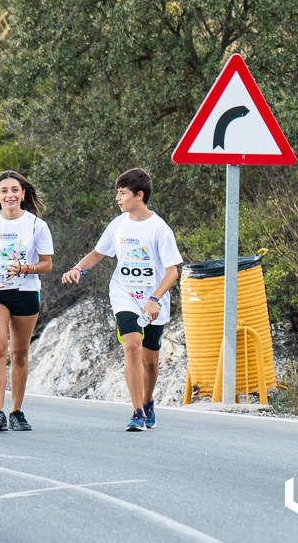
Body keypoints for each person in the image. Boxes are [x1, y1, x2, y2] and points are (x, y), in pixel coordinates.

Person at [62, 168, 182, 431]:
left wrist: (154, 299)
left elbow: (173, 271)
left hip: (154, 301)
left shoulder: (159, 229)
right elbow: (98, 253)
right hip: (124, 294)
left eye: (122, 193)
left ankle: (148, 401)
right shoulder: (118, 225)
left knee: (150, 362)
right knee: (131, 345)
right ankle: (137, 412)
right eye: (117, 193)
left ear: (139, 195)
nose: (117, 198)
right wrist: (77, 269)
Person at [0, 170, 54, 432]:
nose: (10, 195)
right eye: (4, 191)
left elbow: (47, 264)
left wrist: (25, 269)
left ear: (23, 194)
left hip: (26, 293)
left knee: (20, 353)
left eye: (15, 190)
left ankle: (16, 411)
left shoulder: (37, 225)